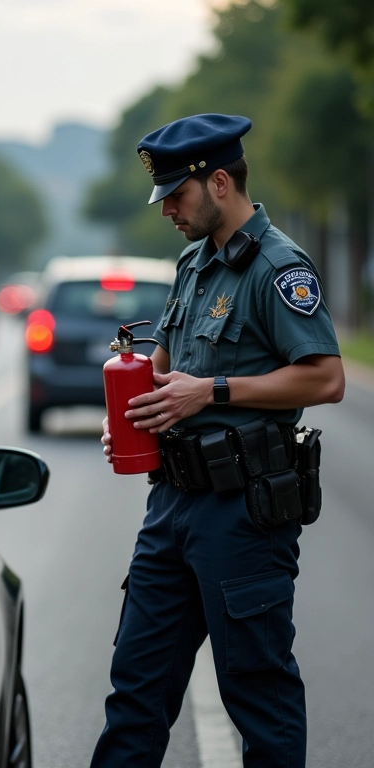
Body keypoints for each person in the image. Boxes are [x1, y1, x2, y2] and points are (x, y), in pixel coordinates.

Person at [91, 113, 345, 768]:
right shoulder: (192, 263)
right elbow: (171, 369)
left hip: (243, 512)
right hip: (171, 506)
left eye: (177, 195)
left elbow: (326, 377)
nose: (168, 210)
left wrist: (214, 392)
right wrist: (137, 411)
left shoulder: (279, 267)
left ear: (221, 182)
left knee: (258, 696)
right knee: (135, 694)